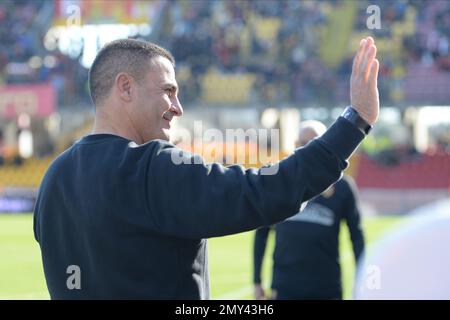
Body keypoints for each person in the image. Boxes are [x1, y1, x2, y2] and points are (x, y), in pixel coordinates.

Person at [33, 37, 379, 299]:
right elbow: (266, 192)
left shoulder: (54, 179)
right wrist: (355, 122)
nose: (178, 107)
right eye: (168, 91)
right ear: (125, 87)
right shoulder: (154, 167)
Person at [253, 120, 365, 300]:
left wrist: (363, 282)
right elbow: (261, 234)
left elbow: (357, 238)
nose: (308, 151)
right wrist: (257, 281)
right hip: (285, 289)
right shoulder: (279, 181)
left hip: (326, 290)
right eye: (304, 144)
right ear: (295, 145)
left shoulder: (343, 188)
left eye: (315, 143)